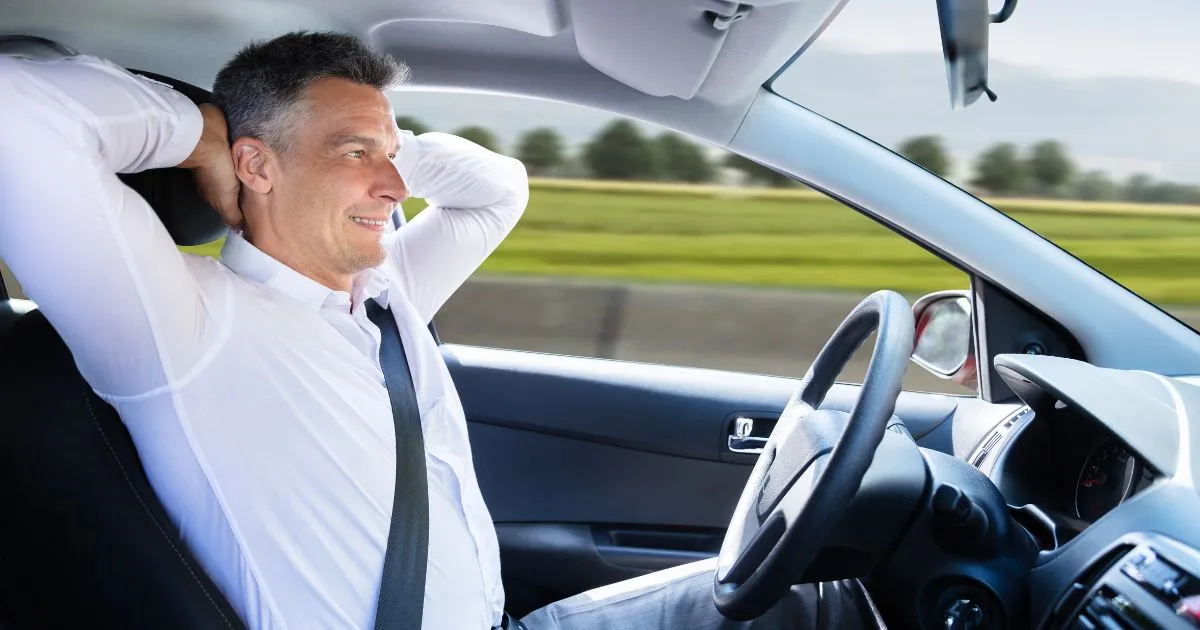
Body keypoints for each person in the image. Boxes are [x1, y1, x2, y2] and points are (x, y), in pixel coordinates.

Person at [0, 31, 880, 630]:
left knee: (846, 596)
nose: (394, 187)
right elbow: (14, 107)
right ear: (256, 165)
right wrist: (206, 136)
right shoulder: (180, 323)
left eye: (393, 156)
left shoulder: (384, 292)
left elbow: (499, 186)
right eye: (356, 153)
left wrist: (373, 151)